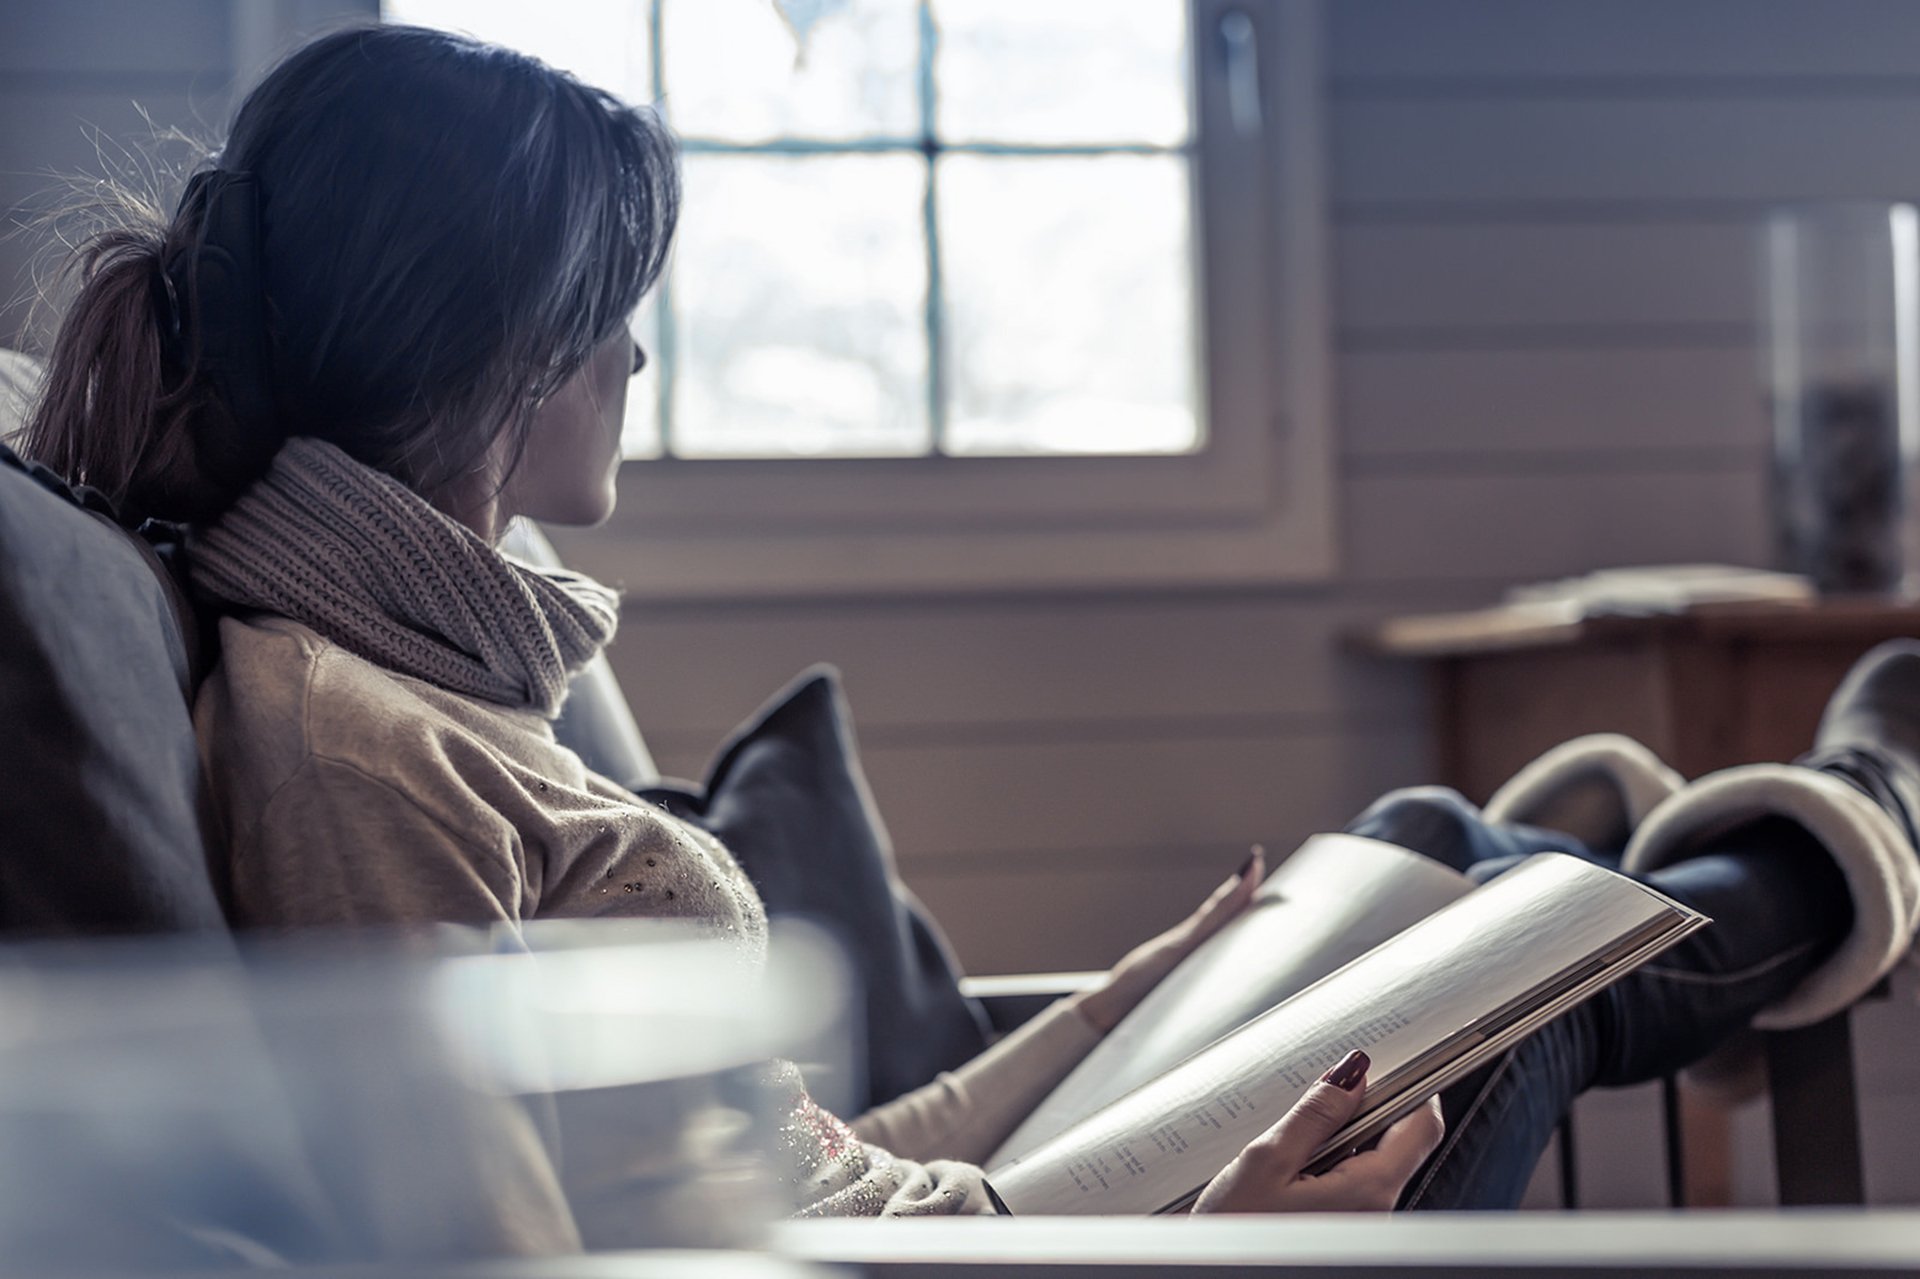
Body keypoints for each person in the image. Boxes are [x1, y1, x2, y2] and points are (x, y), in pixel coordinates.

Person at [11, 20, 1918, 1245]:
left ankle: (1681, 847)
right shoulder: (354, 745)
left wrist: (1118, 1002)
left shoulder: (438, 672)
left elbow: (792, 1155)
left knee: (1421, 857)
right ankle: (1833, 833)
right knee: (1520, 981)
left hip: (989, 1214)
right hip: (1032, 1251)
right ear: (480, 347)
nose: (639, 360)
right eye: (603, 318)